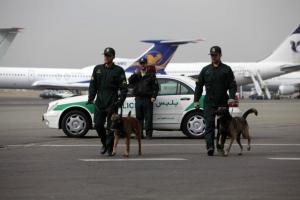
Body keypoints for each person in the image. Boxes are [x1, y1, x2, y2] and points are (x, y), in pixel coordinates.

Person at [194, 46, 237, 156]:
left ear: (220, 55)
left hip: (223, 102)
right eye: (212, 55)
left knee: (223, 127)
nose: (213, 57)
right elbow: (199, 86)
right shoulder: (206, 70)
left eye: (215, 55)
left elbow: (232, 85)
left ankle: (220, 146)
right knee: (209, 125)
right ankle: (210, 147)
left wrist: (231, 96)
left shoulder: (226, 69)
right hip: (209, 102)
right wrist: (196, 100)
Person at [87, 47, 128, 155]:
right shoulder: (97, 69)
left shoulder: (118, 70)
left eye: (108, 55)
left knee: (111, 128)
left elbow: (124, 88)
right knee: (98, 125)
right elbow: (93, 85)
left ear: (113, 57)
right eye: (105, 55)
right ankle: (105, 143)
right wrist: (91, 98)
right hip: (100, 102)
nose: (105, 57)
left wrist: (120, 100)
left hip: (112, 103)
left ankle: (109, 148)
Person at [128, 57, 159, 139]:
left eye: (144, 63)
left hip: (147, 99)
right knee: (139, 118)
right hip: (138, 98)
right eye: (141, 63)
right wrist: (135, 74)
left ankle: (149, 134)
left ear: (146, 64)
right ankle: (139, 134)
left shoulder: (151, 74)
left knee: (148, 117)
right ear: (139, 64)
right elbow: (130, 81)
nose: (142, 65)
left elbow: (156, 88)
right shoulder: (136, 74)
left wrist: (153, 96)